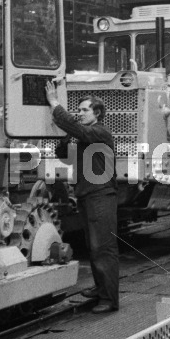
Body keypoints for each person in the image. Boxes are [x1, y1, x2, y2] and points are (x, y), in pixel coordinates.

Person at [44, 81, 119, 314]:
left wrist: (55, 104)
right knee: (92, 246)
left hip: (101, 196)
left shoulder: (100, 132)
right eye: (80, 109)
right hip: (87, 195)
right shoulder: (84, 135)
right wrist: (69, 133)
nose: (81, 113)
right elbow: (62, 152)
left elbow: (83, 132)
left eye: (85, 110)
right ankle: (100, 289)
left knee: (102, 247)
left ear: (97, 113)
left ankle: (109, 299)